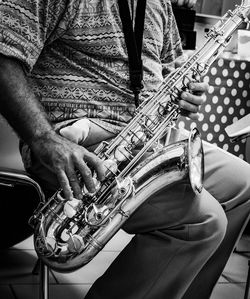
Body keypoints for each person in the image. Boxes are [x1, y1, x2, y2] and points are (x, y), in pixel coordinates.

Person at [0, 0, 249, 298]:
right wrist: (43, 139)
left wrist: (187, 95)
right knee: (203, 221)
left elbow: (171, 69)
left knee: (243, 184)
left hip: (147, 139)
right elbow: (3, 57)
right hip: (75, 144)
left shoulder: (159, 4)